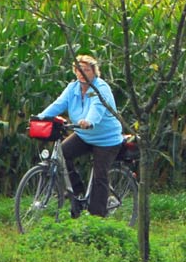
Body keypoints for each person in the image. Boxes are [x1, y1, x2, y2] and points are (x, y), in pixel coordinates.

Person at [34, 55, 124, 218]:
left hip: (106, 139)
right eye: (78, 70)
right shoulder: (73, 88)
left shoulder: (100, 88)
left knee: (99, 176)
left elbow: (97, 108)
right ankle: (78, 193)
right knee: (61, 154)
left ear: (94, 72)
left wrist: (89, 121)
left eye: (86, 70)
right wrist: (40, 117)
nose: (82, 74)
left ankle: (96, 219)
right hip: (84, 135)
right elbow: (59, 104)